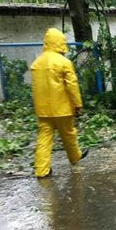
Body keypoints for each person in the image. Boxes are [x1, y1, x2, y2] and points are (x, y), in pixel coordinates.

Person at [31, 28, 88, 178]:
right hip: (62, 108)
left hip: (43, 110)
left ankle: (41, 171)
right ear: (61, 43)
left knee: (44, 138)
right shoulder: (64, 63)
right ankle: (75, 157)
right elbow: (72, 85)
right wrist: (78, 105)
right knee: (69, 134)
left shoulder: (37, 63)